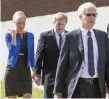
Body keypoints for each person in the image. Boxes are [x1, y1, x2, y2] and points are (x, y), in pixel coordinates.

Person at [53, 2, 109, 98]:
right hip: (77, 87)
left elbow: (107, 63)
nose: (92, 17)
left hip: (97, 88)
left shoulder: (102, 36)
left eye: (94, 15)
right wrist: (58, 92)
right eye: (88, 14)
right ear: (80, 17)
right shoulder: (70, 37)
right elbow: (62, 65)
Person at [35, 12, 68, 98]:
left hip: (67, 77)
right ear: (53, 23)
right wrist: (37, 73)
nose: (60, 26)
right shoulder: (45, 36)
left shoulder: (71, 36)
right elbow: (39, 56)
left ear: (65, 24)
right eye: (58, 24)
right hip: (50, 77)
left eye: (62, 24)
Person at [4, 11, 35, 98]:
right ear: (14, 23)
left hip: (25, 71)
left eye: (23, 23)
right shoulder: (8, 36)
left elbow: (32, 54)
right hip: (12, 71)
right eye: (18, 23)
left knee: (28, 96)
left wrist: (34, 70)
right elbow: (12, 52)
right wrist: (14, 36)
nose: (21, 25)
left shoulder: (30, 35)